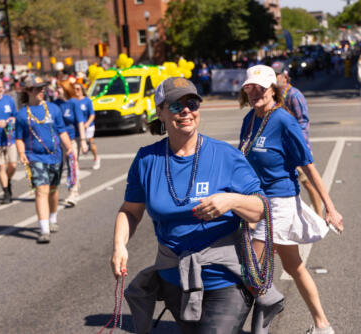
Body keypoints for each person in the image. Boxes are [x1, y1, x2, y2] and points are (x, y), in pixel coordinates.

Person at [111, 77, 283, 334]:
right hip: (174, 279)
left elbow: (261, 208)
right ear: (160, 111)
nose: (186, 111)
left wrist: (231, 200)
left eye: (192, 103)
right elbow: (130, 210)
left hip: (226, 279)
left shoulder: (225, 156)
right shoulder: (147, 160)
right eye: (176, 105)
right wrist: (119, 246)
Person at [238, 65, 344, 334]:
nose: (254, 93)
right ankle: (323, 325)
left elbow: (308, 166)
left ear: (273, 89)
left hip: (278, 202)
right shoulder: (249, 120)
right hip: (257, 202)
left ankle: (253, 323)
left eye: (260, 88)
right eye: (249, 87)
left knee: (251, 268)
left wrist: (330, 208)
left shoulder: (284, 120)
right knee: (293, 266)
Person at [15, 75, 74, 243]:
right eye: (37, 88)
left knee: (53, 190)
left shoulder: (54, 109)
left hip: (55, 156)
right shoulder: (21, 115)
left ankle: (53, 218)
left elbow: (61, 131)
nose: (41, 91)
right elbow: (18, 138)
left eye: (43, 87)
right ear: (27, 91)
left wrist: (69, 149)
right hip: (35, 157)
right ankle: (44, 229)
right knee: (41, 191)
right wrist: (21, 153)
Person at [271, 61, 322, 217]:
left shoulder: (294, 95)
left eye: (277, 75)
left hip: (296, 148)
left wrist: (297, 144)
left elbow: (303, 121)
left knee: (308, 183)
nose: (274, 78)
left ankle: (320, 216)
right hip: (281, 149)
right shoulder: (274, 95)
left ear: (285, 75)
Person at [53, 86, 88, 206]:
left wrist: (83, 140)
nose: (57, 91)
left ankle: (73, 192)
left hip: (73, 139)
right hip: (59, 140)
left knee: (72, 164)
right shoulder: (56, 104)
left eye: (59, 89)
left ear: (66, 89)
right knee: (58, 166)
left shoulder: (73, 103)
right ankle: (69, 186)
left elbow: (80, 122)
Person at [72, 82, 100, 169]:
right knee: (76, 146)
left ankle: (96, 158)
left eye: (78, 89)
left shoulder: (87, 100)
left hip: (88, 125)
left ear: (82, 90)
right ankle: (75, 165)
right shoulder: (73, 101)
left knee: (91, 144)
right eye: (74, 89)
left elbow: (92, 114)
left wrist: (87, 123)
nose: (76, 91)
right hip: (77, 127)